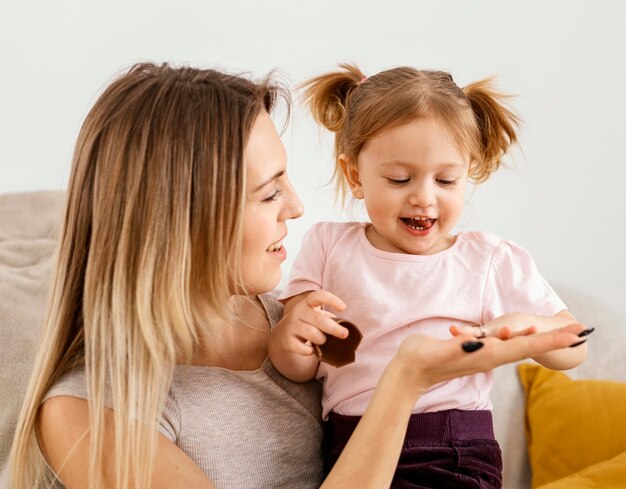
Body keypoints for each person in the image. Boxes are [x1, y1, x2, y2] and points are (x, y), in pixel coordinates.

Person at [8, 63, 588, 489]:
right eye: (267, 193)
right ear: (178, 218)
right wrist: (405, 380)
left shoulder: (307, 319)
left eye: (285, 180)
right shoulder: (89, 414)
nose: (296, 207)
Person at [269, 64, 593, 488]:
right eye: (399, 179)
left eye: (446, 179)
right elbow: (299, 368)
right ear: (355, 176)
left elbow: (572, 347)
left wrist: (526, 328)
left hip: (456, 449)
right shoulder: (328, 247)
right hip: (354, 449)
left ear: (467, 173)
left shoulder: (488, 259)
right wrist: (290, 338)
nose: (424, 197)